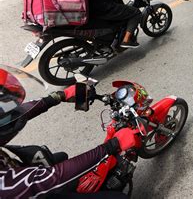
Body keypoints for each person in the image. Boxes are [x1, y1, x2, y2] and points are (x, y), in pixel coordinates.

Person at [0, 67, 139, 198]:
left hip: (17, 167)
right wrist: (111, 145)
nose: (12, 118)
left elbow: (15, 114)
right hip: (32, 187)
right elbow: (53, 177)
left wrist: (58, 96)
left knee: (60, 157)